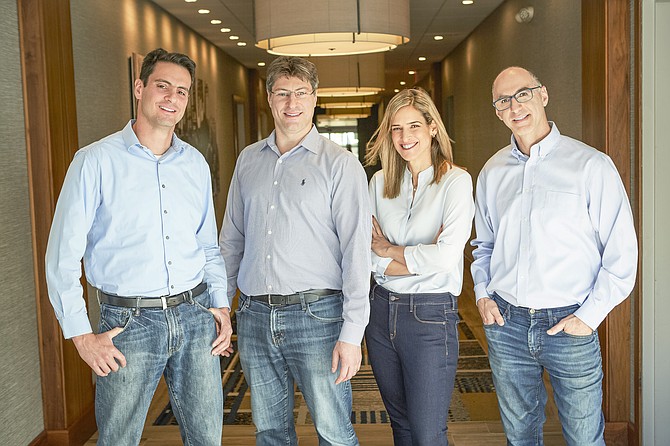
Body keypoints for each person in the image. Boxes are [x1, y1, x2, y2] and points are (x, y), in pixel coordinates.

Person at [45, 48, 232, 446]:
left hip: (196, 315)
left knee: (207, 438)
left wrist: (221, 304)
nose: (172, 98)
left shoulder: (195, 163)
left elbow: (207, 246)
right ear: (139, 87)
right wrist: (80, 335)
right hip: (126, 324)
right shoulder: (94, 161)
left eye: (181, 91)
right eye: (162, 86)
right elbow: (61, 257)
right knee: (118, 440)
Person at [471, 66, 638, 445]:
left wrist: (587, 317)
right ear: (497, 112)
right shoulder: (492, 172)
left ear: (543, 95)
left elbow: (622, 255)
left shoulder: (591, 166)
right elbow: (484, 245)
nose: (515, 106)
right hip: (507, 325)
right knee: (520, 437)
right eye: (503, 101)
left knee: (584, 438)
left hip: (570, 325)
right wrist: (482, 294)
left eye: (523, 94)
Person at [219, 56, 371, 446]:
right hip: (253, 317)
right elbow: (232, 240)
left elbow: (357, 252)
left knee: (334, 431)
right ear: (269, 98)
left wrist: (352, 334)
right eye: (282, 93)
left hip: (318, 317)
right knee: (269, 431)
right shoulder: (248, 161)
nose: (291, 103)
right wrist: (221, 306)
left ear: (315, 97)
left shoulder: (341, 165)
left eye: (301, 93)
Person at [363, 88, 475, 445]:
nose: (405, 137)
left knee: (428, 434)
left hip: (429, 317)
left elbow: (445, 259)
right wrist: (405, 257)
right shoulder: (379, 183)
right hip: (379, 315)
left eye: (413, 126)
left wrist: (388, 251)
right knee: (402, 427)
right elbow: (366, 256)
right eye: (396, 128)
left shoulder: (456, 182)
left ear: (432, 128)